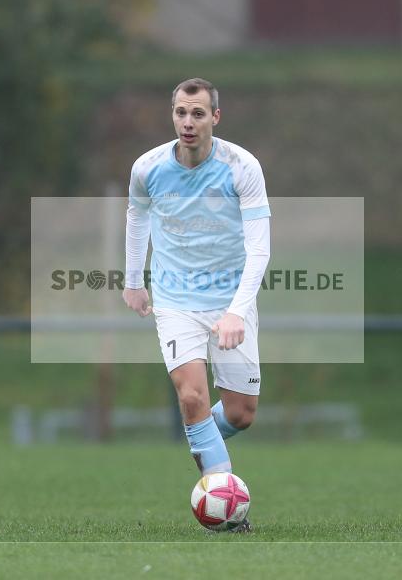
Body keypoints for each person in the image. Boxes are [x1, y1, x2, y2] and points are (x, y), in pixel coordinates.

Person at [122, 78, 270, 533]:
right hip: (175, 300)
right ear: (173, 115)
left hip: (230, 299)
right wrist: (133, 280)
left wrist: (236, 311)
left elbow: (260, 249)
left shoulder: (241, 167)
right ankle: (225, 504)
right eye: (181, 113)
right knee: (191, 396)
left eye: (198, 114)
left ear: (215, 118)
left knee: (242, 414)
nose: (188, 122)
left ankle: (199, 434)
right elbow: (137, 215)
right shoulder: (147, 168)